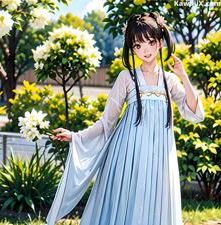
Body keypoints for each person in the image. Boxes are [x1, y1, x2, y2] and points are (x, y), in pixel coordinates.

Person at [46, 11, 205, 225]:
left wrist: (183, 75)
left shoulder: (169, 80)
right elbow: (107, 122)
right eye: (138, 45)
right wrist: (76, 136)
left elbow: (194, 114)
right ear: (132, 48)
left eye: (149, 42)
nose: (145, 50)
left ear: (159, 43)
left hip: (160, 157)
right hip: (127, 155)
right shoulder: (126, 77)